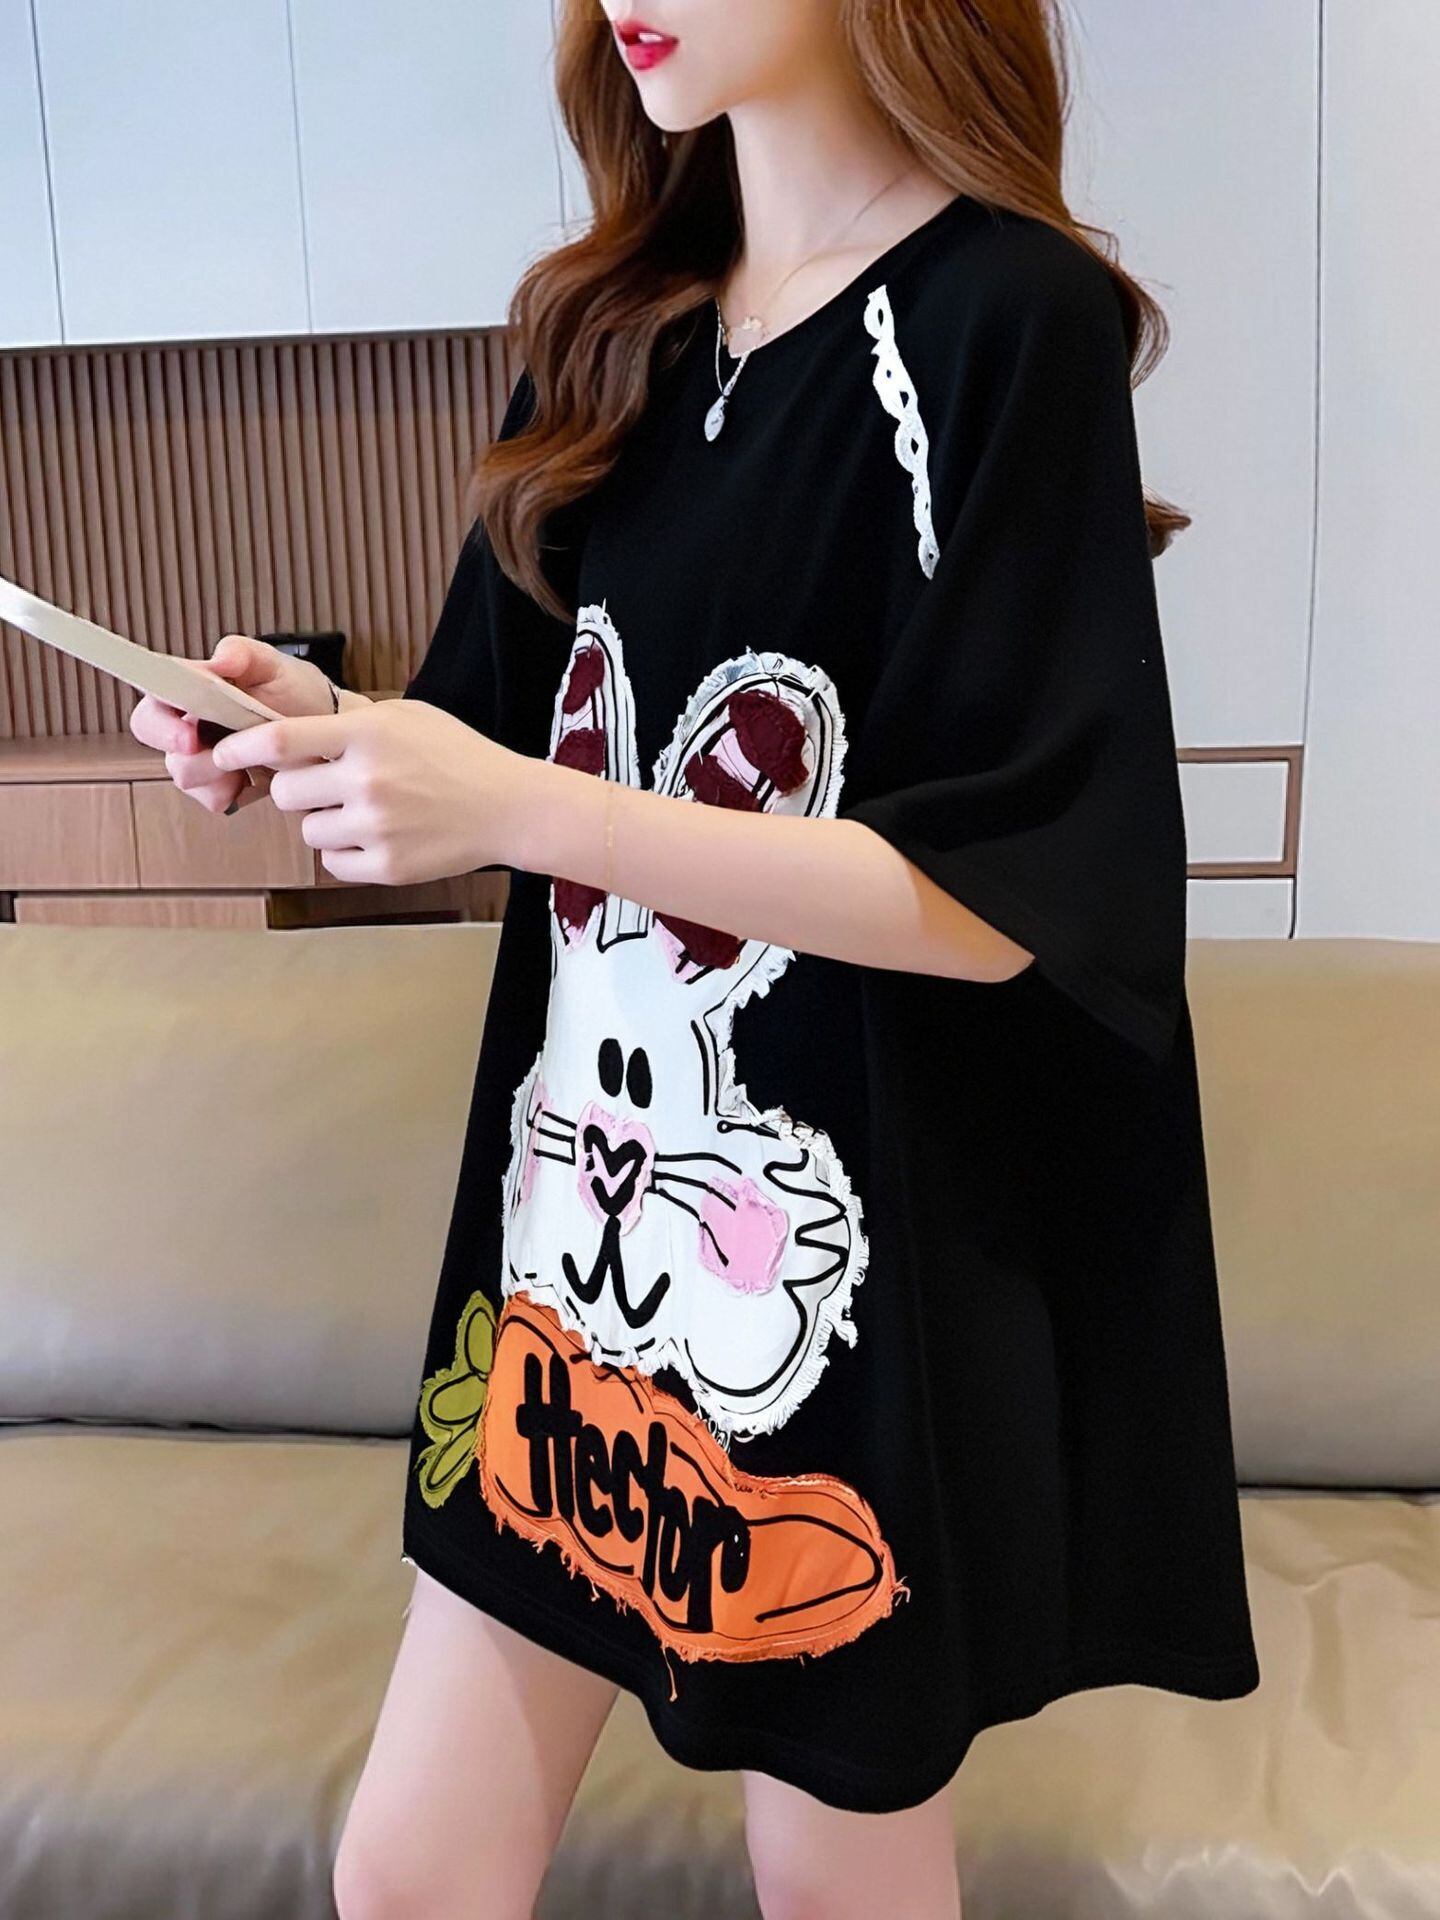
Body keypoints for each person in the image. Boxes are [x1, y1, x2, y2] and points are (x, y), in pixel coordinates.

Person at [130, 2, 1262, 1913]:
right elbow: (497, 730)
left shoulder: (1007, 323)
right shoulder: (608, 327)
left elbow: (1016, 903)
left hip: (831, 1288)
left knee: (832, 1883)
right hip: (563, 1269)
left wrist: (521, 806)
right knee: (406, 1873)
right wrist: (312, 729)